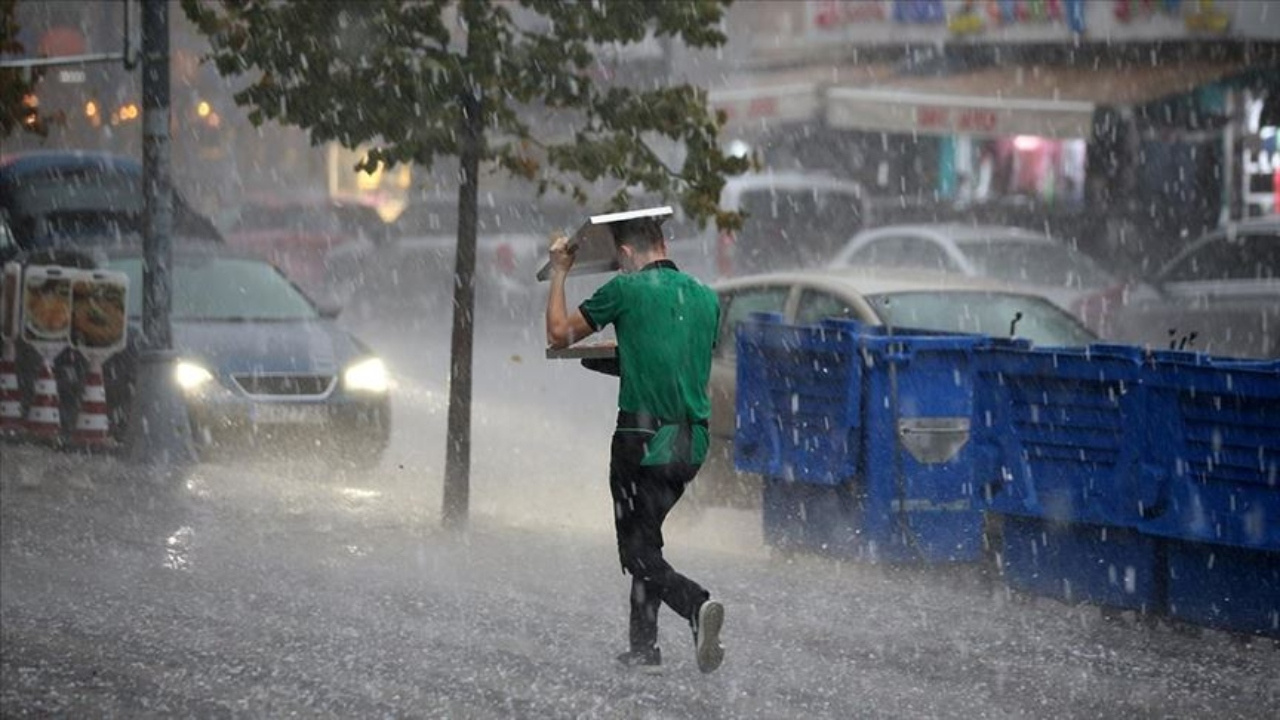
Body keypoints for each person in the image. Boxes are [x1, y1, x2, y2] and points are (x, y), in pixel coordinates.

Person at [544, 216, 725, 674]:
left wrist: (561, 270)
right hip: (691, 444)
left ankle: (694, 604)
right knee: (647, 539)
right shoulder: (706, 298)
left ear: (624, 254)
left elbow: (558, 333)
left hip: (641, 441)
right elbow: (675, 361)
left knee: (637, 552)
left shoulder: (625, 291)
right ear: (663, 242)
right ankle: (644, 647)